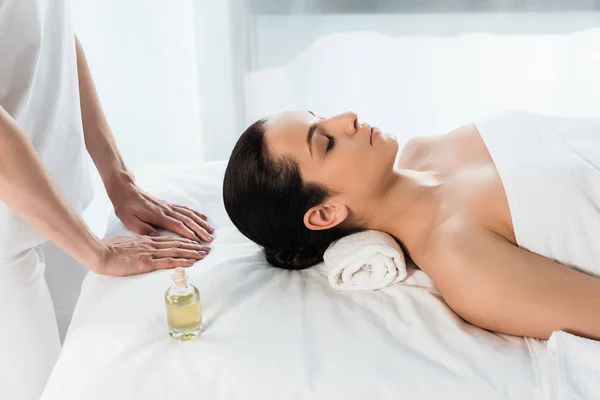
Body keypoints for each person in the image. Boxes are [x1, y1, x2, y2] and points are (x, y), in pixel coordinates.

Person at [223, 110, 600, 342]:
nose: (348, 118)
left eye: (320, 115)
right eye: (326, 142)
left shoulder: (428, 149)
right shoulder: (462, 262)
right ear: (325, 214)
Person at [0, 1, 213, 399]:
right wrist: (96, 252)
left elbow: (52, 36)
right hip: (7, 237)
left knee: (87, 378)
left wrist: (118, 178)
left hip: (55, 209)